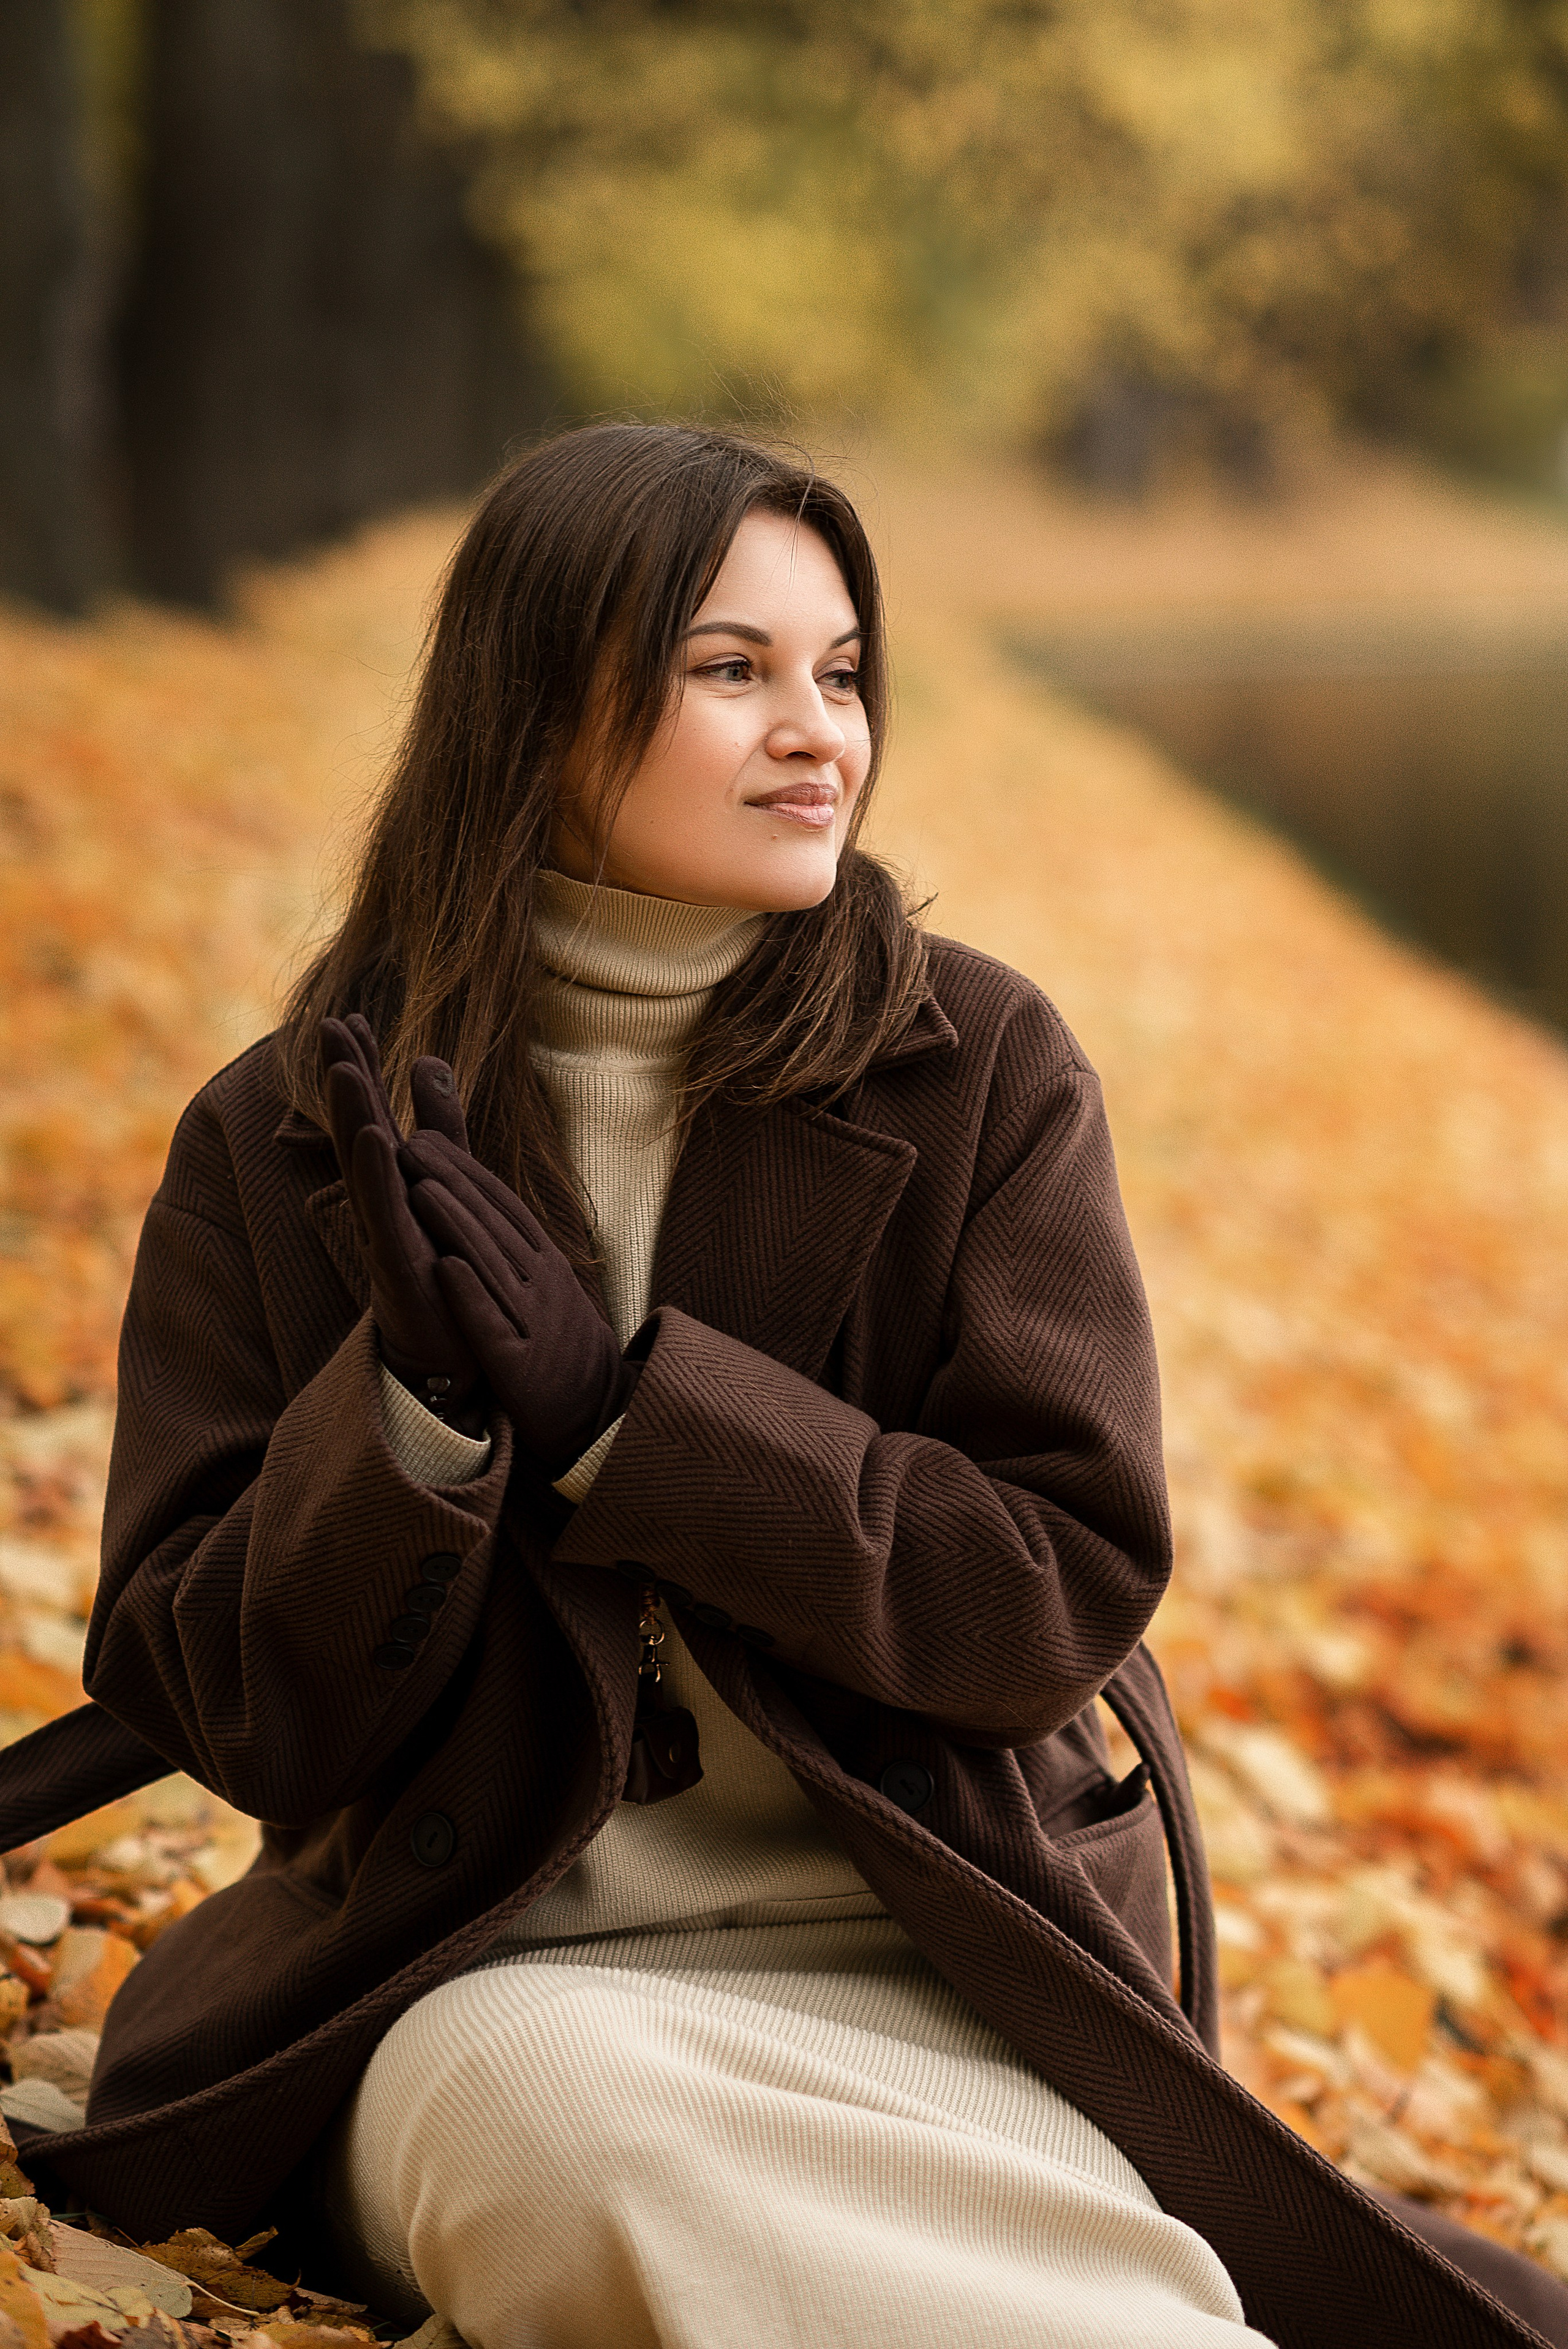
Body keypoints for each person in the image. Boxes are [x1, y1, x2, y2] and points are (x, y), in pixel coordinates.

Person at [4, 425, 1564, 2349]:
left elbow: (1051, 1583)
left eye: (842, 674)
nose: (818, 730)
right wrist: (407, 1423)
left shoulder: (975, 1062)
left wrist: (635, 1426)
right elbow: (219, 1696)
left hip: (948, 1953)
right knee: (586, 2153)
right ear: (533, 700)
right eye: (730, 669)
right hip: (480, 1973)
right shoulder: (283, 1134)